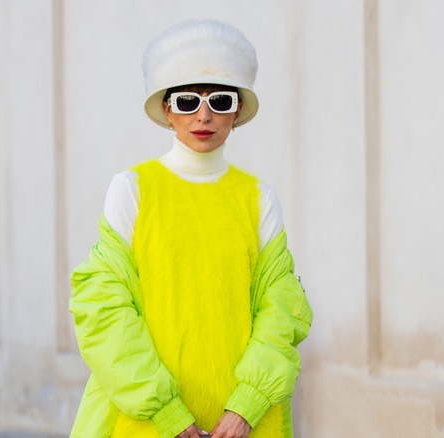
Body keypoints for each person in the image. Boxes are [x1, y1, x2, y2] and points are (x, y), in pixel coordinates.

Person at [69, 19, 312, 438]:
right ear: (166, 110)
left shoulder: (258, 198)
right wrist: (166, 416)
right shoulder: (133, 190)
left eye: (220, 101)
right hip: (142, 420)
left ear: (236, 113)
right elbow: (103, 310)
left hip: (243, 424)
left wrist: (247, 407)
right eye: (186, 101)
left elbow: (282, 311)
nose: (203, 115)